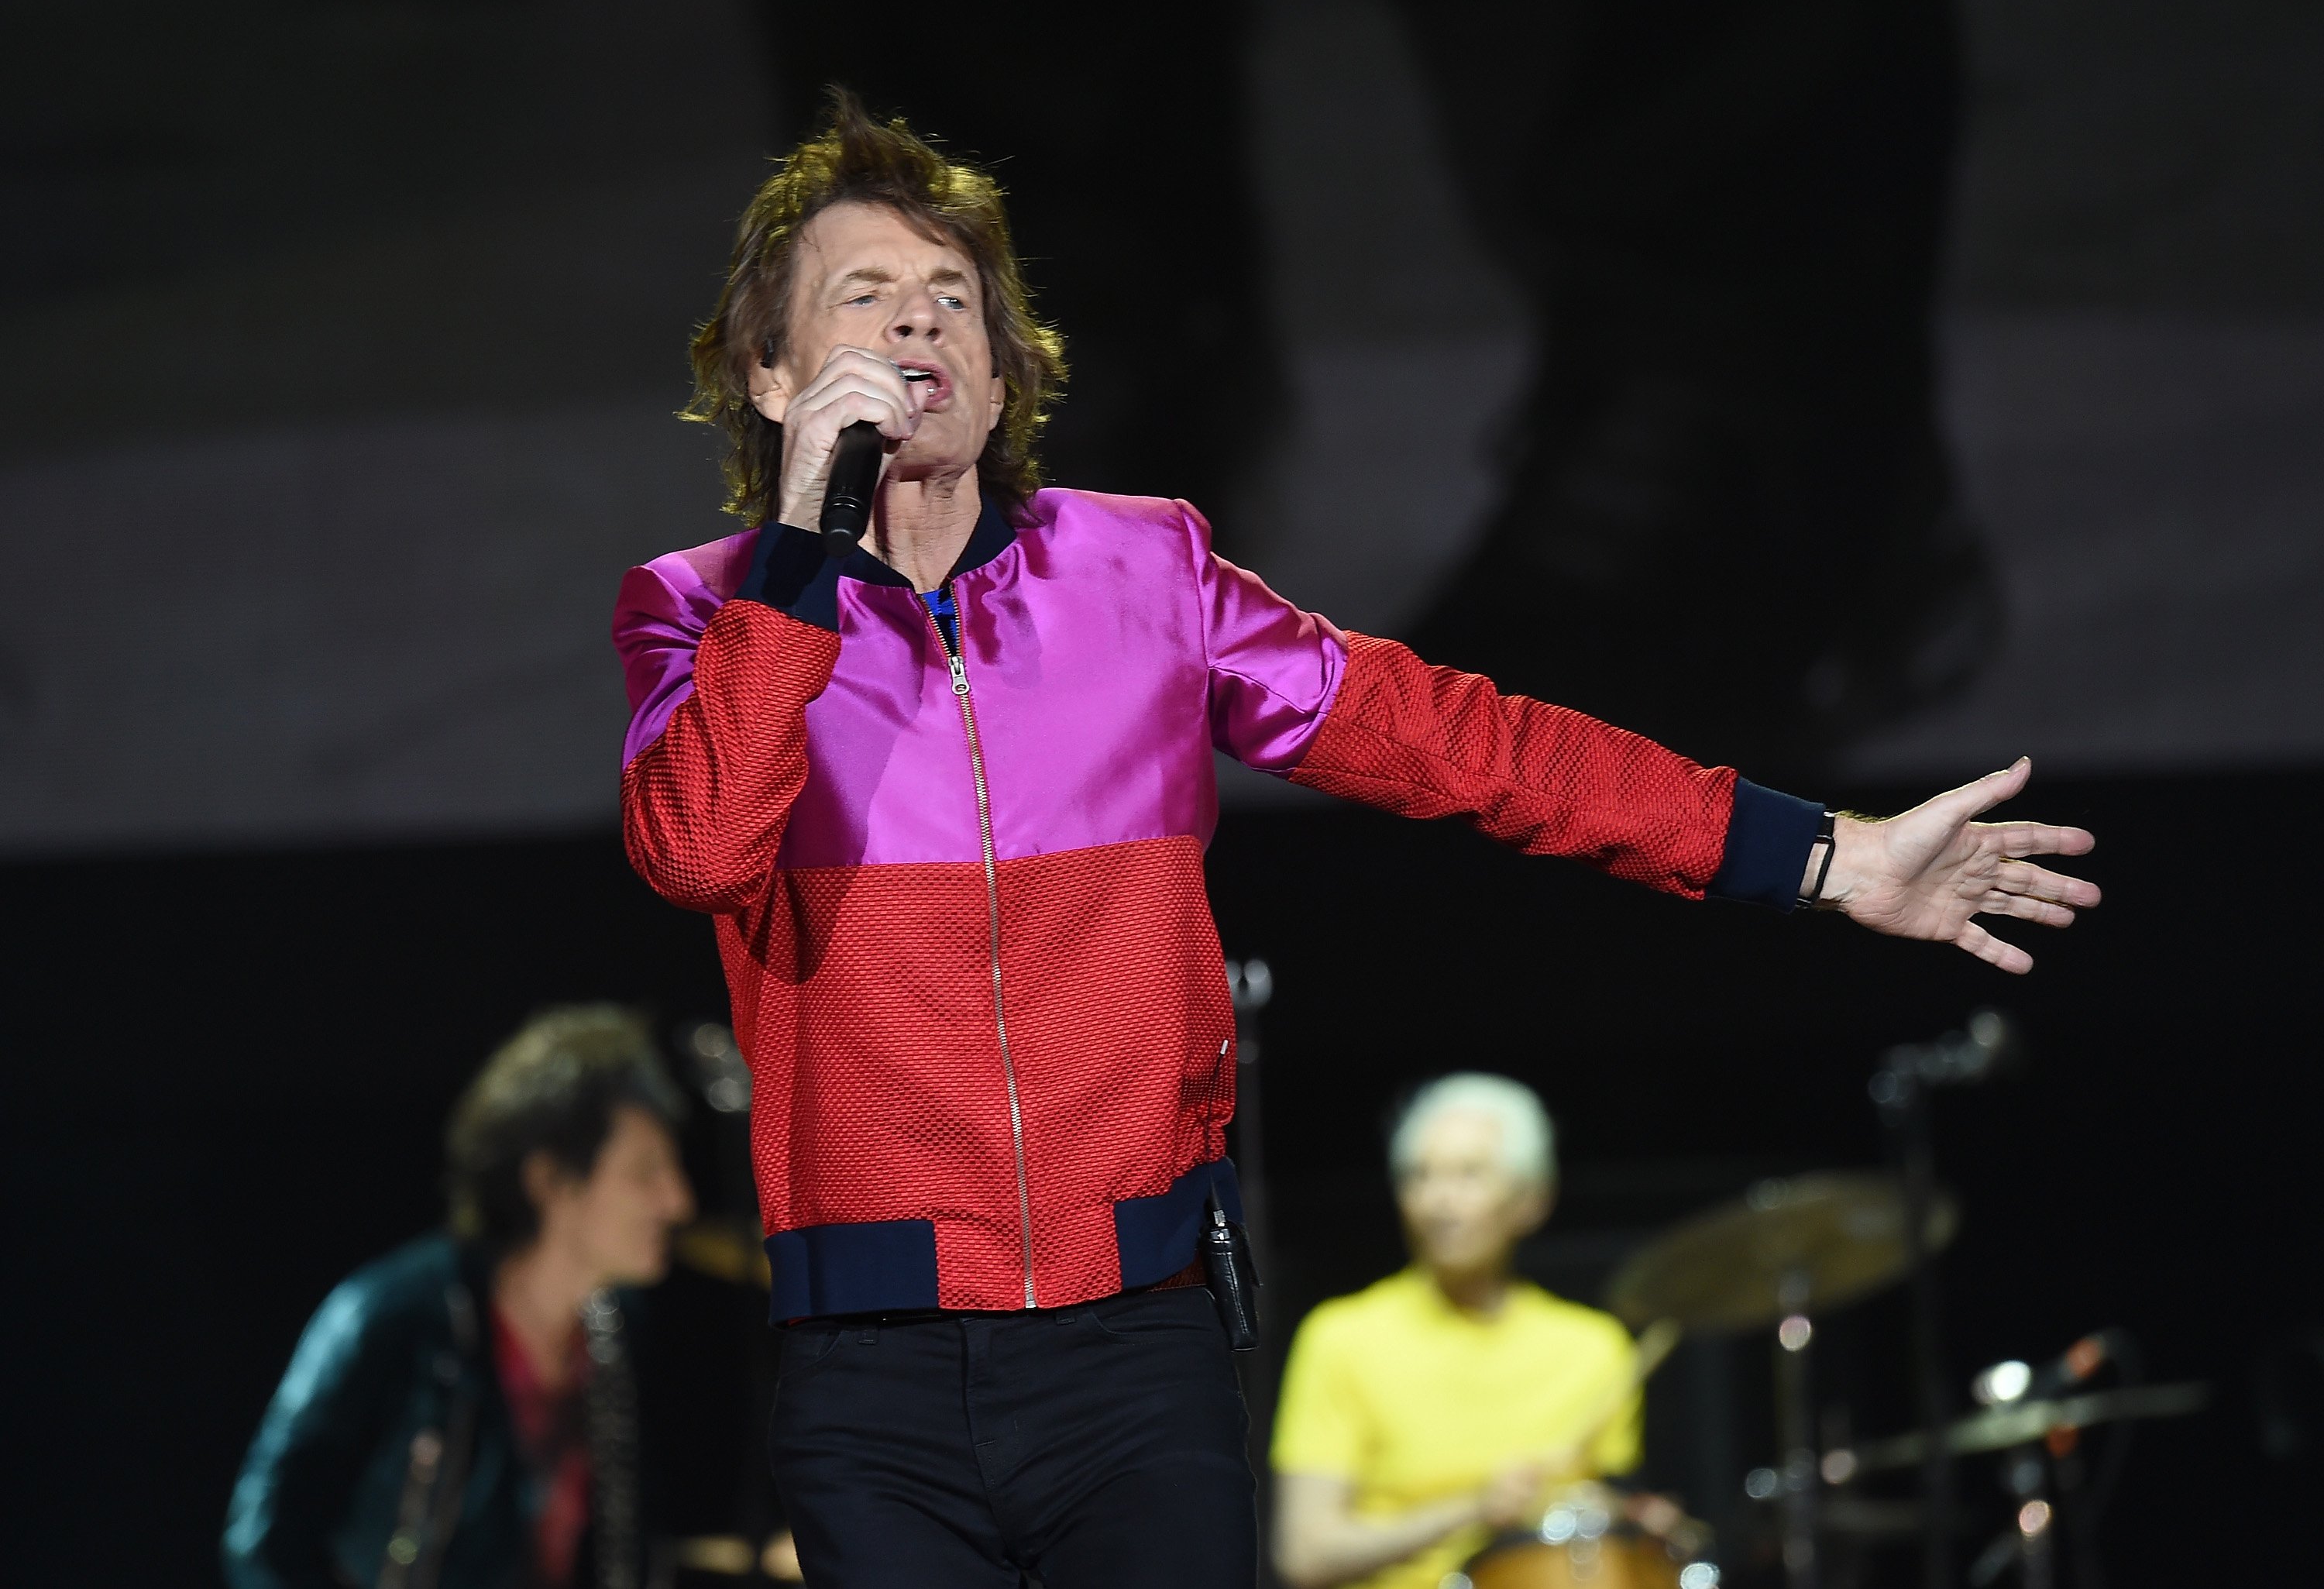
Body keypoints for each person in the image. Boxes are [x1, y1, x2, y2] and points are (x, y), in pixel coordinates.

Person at [612, 91, 2099, 1589]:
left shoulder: (1146, 576)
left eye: (954, 303)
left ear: (1004, 380)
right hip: (872, 1377)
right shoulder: (704, 610)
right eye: (866, 303)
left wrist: (1828, 853)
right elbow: (698, 851)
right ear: (773, 369)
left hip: (1136, 1356)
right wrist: (800, 558)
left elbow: (1469, 744)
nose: (919, 331)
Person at [222, 1007, 696, 1589]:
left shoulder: (618, 1328)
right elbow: (265, 1542)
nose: (677, 1202)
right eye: (646, 1172)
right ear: (550, 1180)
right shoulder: (391, 1316)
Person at [1272, 1075, 1654, 1589]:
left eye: (1470, 1175)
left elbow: (1596, 1524)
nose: (1438, 1202)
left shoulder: (1594, 1348)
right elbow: (1305, 1554)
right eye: (1420, 1176)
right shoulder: (1341, 1337)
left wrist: (1637, 1526)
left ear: (1531, 1200)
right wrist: (1471, 1510)